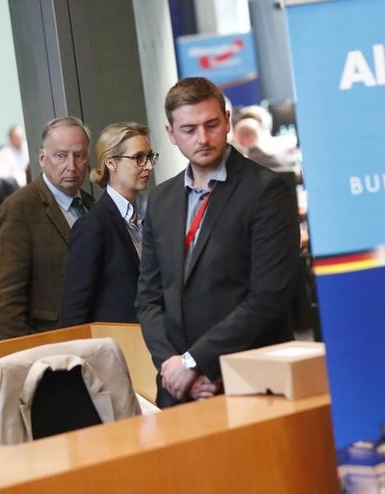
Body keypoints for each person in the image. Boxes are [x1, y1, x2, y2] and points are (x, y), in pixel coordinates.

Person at [136, 77, 300, 407]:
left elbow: (268, 298)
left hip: (248, 380)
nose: (203, 138)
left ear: (227, 121)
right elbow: (149, 299)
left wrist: (194, 362)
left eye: (211, 125)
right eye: (189, 129)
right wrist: (172, 365)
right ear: (170, 134)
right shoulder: (161, 199)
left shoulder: (266, 191)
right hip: (177, 388)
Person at [0, 116, 94, 339]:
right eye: (61, 156)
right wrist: (27, 354)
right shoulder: (20, 208)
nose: (71, 165)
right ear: (42, 159)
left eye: (79, 155)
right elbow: (6, 302)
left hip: (94, 337)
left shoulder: (91, 205)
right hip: (46, 343)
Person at [59, 122, 156, 327]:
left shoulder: (157, 213)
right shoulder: (93, 226)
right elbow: (75, 308)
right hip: (120, 346)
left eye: (150, 156)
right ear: (111, 163)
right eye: (139, 158)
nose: (148, 166)